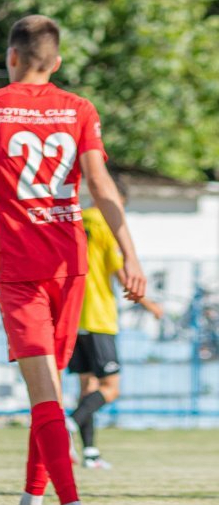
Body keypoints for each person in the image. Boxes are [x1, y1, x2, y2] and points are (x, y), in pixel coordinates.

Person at [0, 14, 146, 505]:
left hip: (19, 269)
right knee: (51, 391)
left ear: (11, 57)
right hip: (70, 267)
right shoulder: (79, 108)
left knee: (46, 394)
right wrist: (130, 256)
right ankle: (31, 503)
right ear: (56, 62)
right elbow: (101, 185)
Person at [68, 176, 164, 469]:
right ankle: (68, 424)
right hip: (98, 316)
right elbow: (124, 274)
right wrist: (150, 305)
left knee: (87, 387)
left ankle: (90, 453)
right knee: (110, 387)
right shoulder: (107, 224)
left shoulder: (75, 218)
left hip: (71, 315)